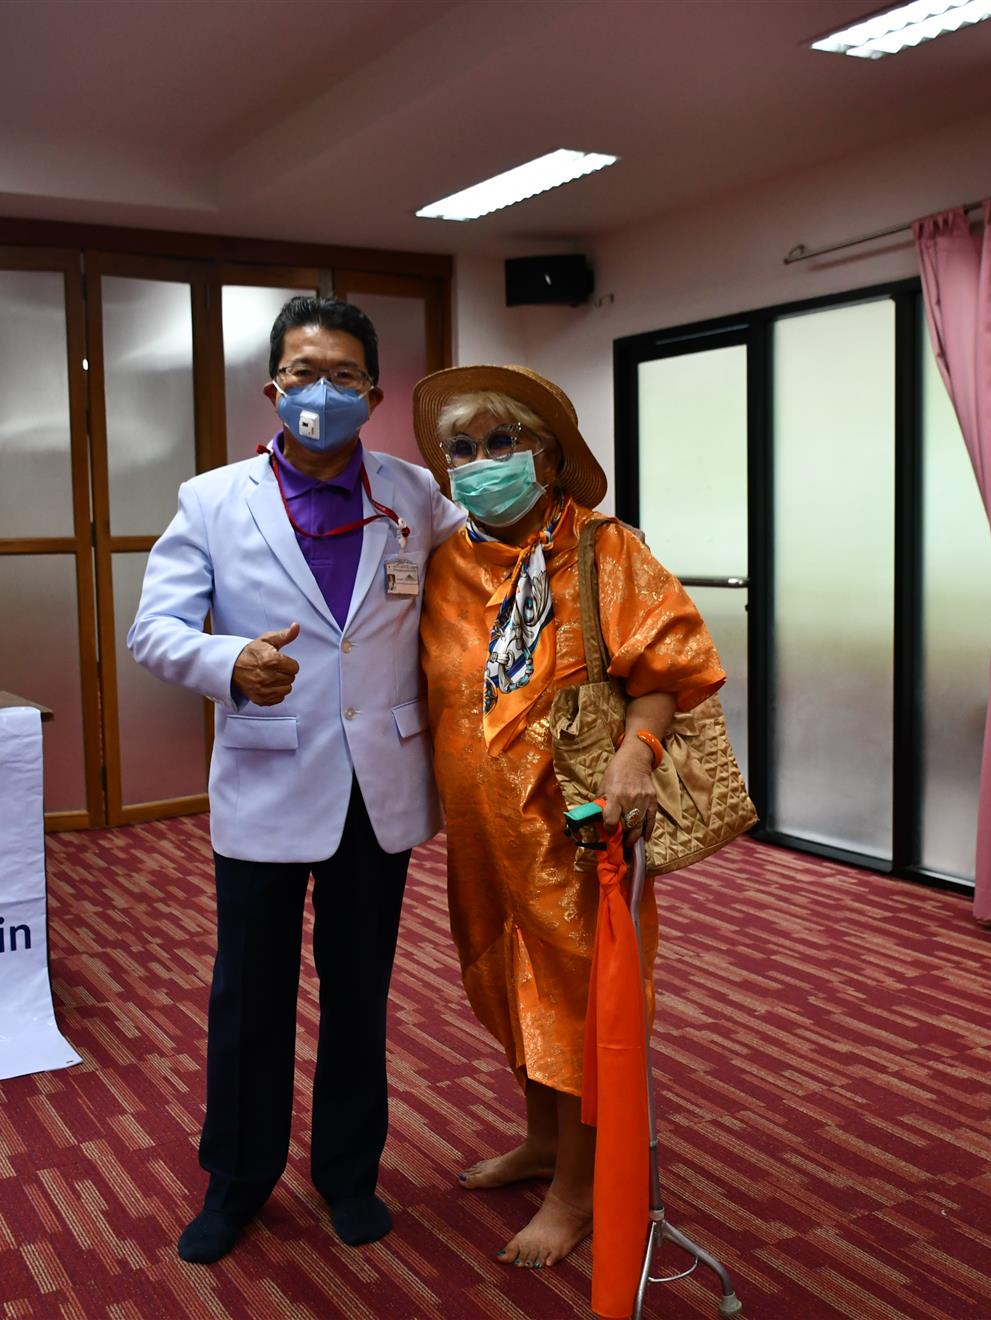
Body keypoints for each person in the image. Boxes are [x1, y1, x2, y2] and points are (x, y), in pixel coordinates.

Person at [128, 296, 464, 1263]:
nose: (324, 392)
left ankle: (349, 1174)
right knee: (251, 995)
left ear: (375, 392)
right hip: (268, 777)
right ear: (273, 388)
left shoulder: (415, 495)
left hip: (379, 783)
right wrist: (229, 661)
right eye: (305, 373)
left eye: (345, 376)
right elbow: (154, 631)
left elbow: (484, 583)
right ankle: (236, 1181)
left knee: (359, 992)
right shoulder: (211, 499)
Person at [412, 364, 727, 1270]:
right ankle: (545, 1143)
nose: (481, 461)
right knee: (511, 983)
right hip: (482, 829)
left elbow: (667, 667)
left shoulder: (603, 550)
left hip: (578, 826)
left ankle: (579, 1191)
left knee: (583, 1000)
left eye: (500, 442)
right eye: (462, 448)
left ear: (547, 456)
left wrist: (638, 752)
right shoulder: (447, 562)